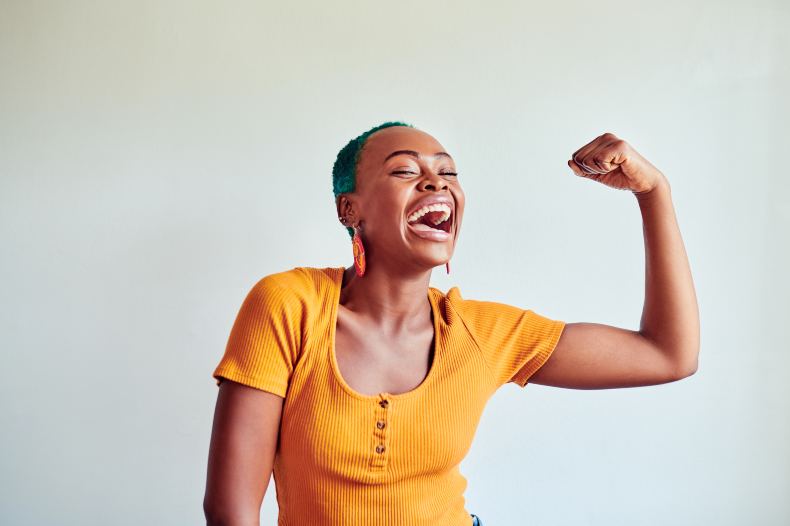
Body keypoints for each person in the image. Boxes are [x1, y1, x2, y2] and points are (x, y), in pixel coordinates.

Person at [203, 121, 700, 525]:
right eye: (403, 171)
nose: (436, 182)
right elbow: (231, 511)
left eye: (448, 173)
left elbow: (669, 355)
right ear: (349, 209)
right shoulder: (289, 305)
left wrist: (654, 192)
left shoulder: (483, 334)